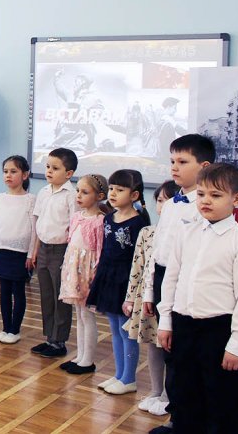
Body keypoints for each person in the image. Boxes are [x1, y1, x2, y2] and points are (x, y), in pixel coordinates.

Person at [157, 163, 238, 434]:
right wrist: (166, 321)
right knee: (185, 395)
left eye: (215, 195)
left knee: (222, 402)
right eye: (201, 194)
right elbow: (172, 278)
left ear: (236, 199)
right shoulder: (186, 232)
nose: (205, 201)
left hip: (218, 331)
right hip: (183, 326)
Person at [142, 134, 214, 434]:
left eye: (183, 161)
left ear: (204, 166)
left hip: (185, 284)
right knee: (169, 350)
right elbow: (157, 251)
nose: (174, 167)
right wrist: (149, 291)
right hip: (163, 280)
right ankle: (177, 418)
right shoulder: (171, 204)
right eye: (172, 161)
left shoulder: (205, 207)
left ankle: (189, 421)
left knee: (185, 356)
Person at [89, 169, 151, 395]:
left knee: (127, 331)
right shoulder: (108, 218)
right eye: (112, 189)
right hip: (108, 276)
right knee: (114, 328)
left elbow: (139, 259)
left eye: (120, 190)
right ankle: (118, 375)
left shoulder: (138, 224)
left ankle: (129, 378)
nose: (113, 193)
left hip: (126, 280)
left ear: (134, 195)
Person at [124, 180, 178, 416]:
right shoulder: (147, 232)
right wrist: (130, 297)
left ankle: (168, 395)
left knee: (168, 348)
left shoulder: (182, 234)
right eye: (160, 201)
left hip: (171, 299)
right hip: (147, 297)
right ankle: (156, 391)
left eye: (169, 201)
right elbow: (137, 268)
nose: (164, 206)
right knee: (152, 345)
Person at [57, 174, 108, 374]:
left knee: (87, 315)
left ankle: (88, 360)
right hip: (74, 270)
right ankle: (80, 356)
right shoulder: (77, 217)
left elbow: (100, 250)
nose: (78, 195)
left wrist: (96, 275)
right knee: (78, 314)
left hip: (87, 272)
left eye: (85, 192)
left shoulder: (99, 220)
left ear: (99, 196)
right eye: (78, 191)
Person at [30, 147, 78, 358]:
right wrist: (35, 250)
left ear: (69, 173)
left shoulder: (72, 195)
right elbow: (38, 223)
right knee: (47, 295)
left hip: (61, 250)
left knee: (60, 296)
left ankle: (60, 341)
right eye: (48, 166)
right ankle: (49, 337)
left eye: (55, 168)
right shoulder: (43, 192)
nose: (49, 171)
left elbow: (75, 226)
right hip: (43, 249)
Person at [0, 155, 36, 344]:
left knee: (18, 291)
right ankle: (5, 328)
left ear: (25, 175)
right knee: (4, 291)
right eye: (5, 171)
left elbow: (34, 229)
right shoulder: (0, 198)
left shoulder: (30, 200)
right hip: (2, 250)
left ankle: (15, 330)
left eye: (13, 171)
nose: (8, 175)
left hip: (21, 253)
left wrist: (31, 254)